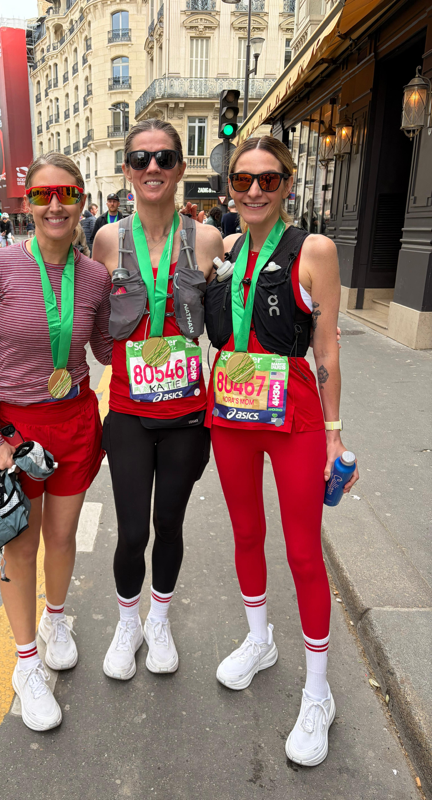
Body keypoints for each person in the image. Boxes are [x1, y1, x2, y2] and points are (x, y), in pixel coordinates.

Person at [206, 135, 358, 767]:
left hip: (292, 410)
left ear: (288, 185)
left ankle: (318, 691)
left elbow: (327, 351)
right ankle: (260, 640)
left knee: (302, 550)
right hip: (232, 411)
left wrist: (335, 433)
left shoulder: (313, 250)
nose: (255, 191)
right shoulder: (227, 251)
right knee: (245, 533)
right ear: (230, 190)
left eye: (269, 180)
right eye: (243, 181)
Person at [0, 153, 112, 732]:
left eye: (67, 193)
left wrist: (164, 326)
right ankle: (25, 664)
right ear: (28, 203)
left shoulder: (96, 276)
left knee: (62, 535)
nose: (56, 205)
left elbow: (104, 347)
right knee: (20, 547)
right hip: (15, 432)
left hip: (75, 420)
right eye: (43, 195)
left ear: (82, 200)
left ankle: (56, 619)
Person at [92, 119, 223, 680]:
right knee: (131, 531)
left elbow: (227, 323)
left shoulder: (209, 240)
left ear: (181, 169)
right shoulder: (106, 240)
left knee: (169, 524)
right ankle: (128, 622)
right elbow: (90, 323)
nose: (152, 168)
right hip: (126, 411)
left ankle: (160, 619)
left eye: (164, 158)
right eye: (141, 159)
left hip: (186, 415)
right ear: (127, 169)